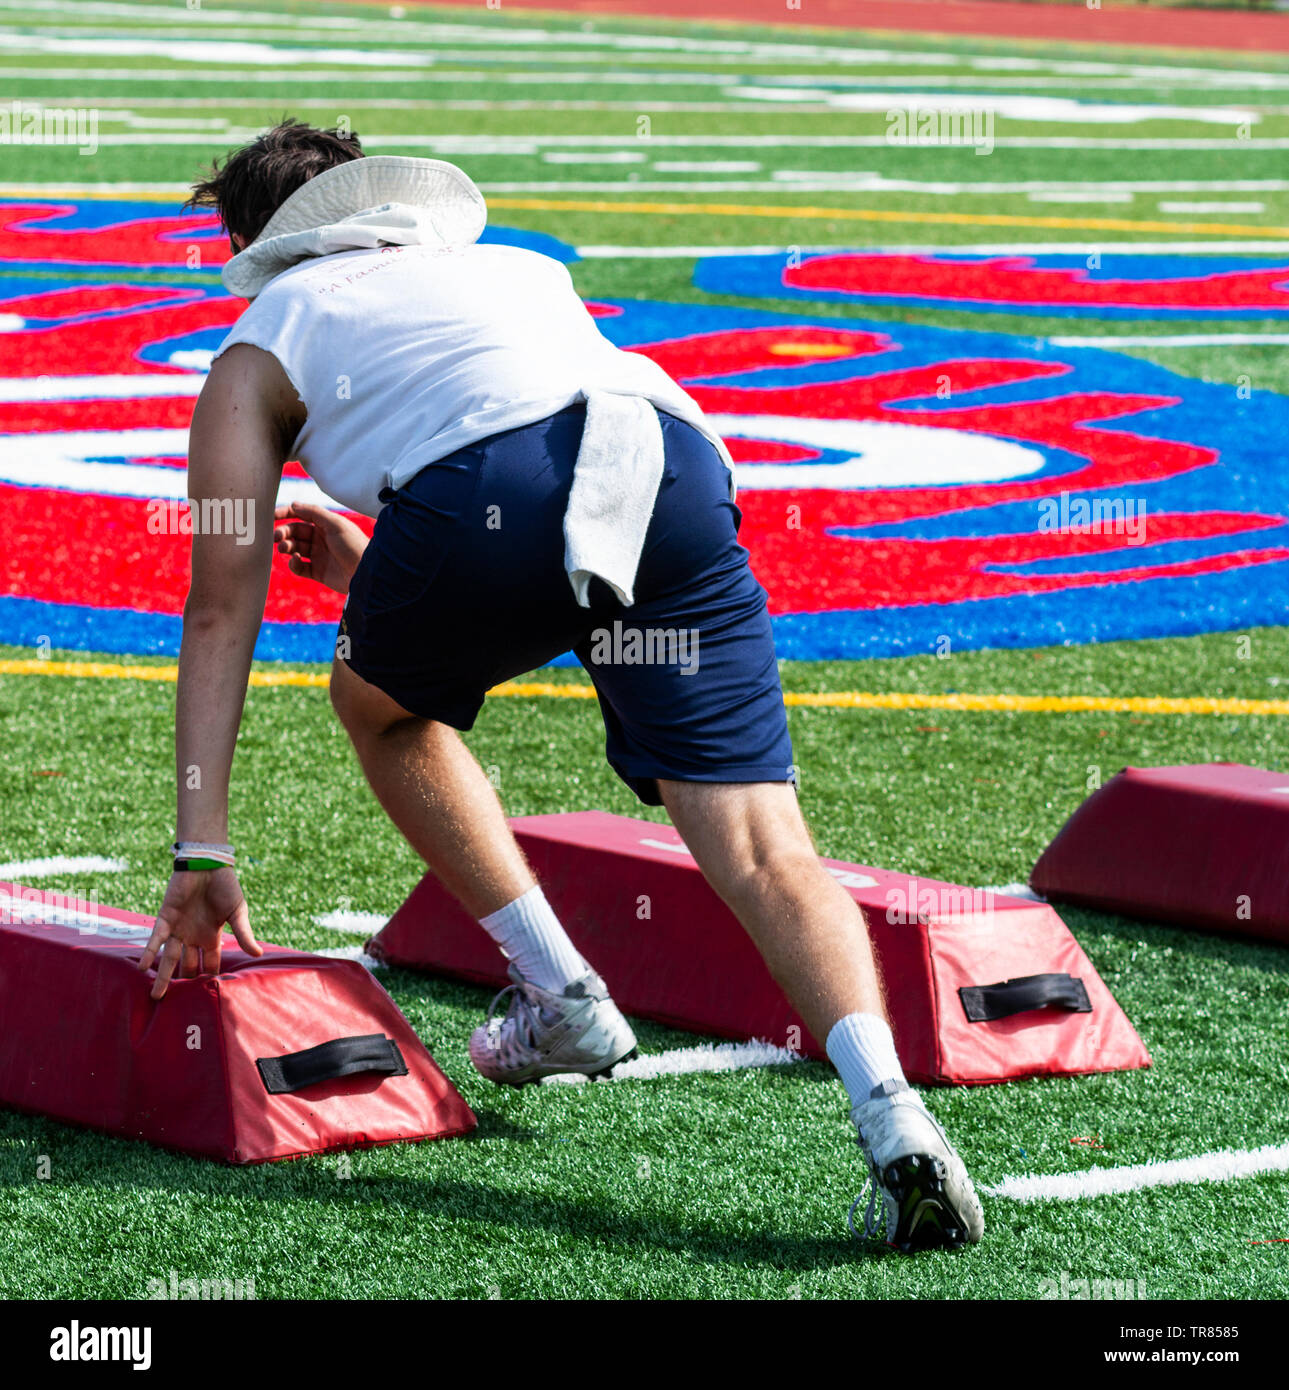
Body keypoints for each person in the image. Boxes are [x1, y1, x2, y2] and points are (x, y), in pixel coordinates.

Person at [142, 120, 984, 1253]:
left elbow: (218, 602)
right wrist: (383, 566)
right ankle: (897, 1122)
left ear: (256, 243)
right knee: (764, 846)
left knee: (378, 707)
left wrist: (202, 846)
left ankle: (562, 997)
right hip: (672, 463)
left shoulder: (262, 342)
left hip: (488, 501)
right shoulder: (514, 268)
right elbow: (540, 459)